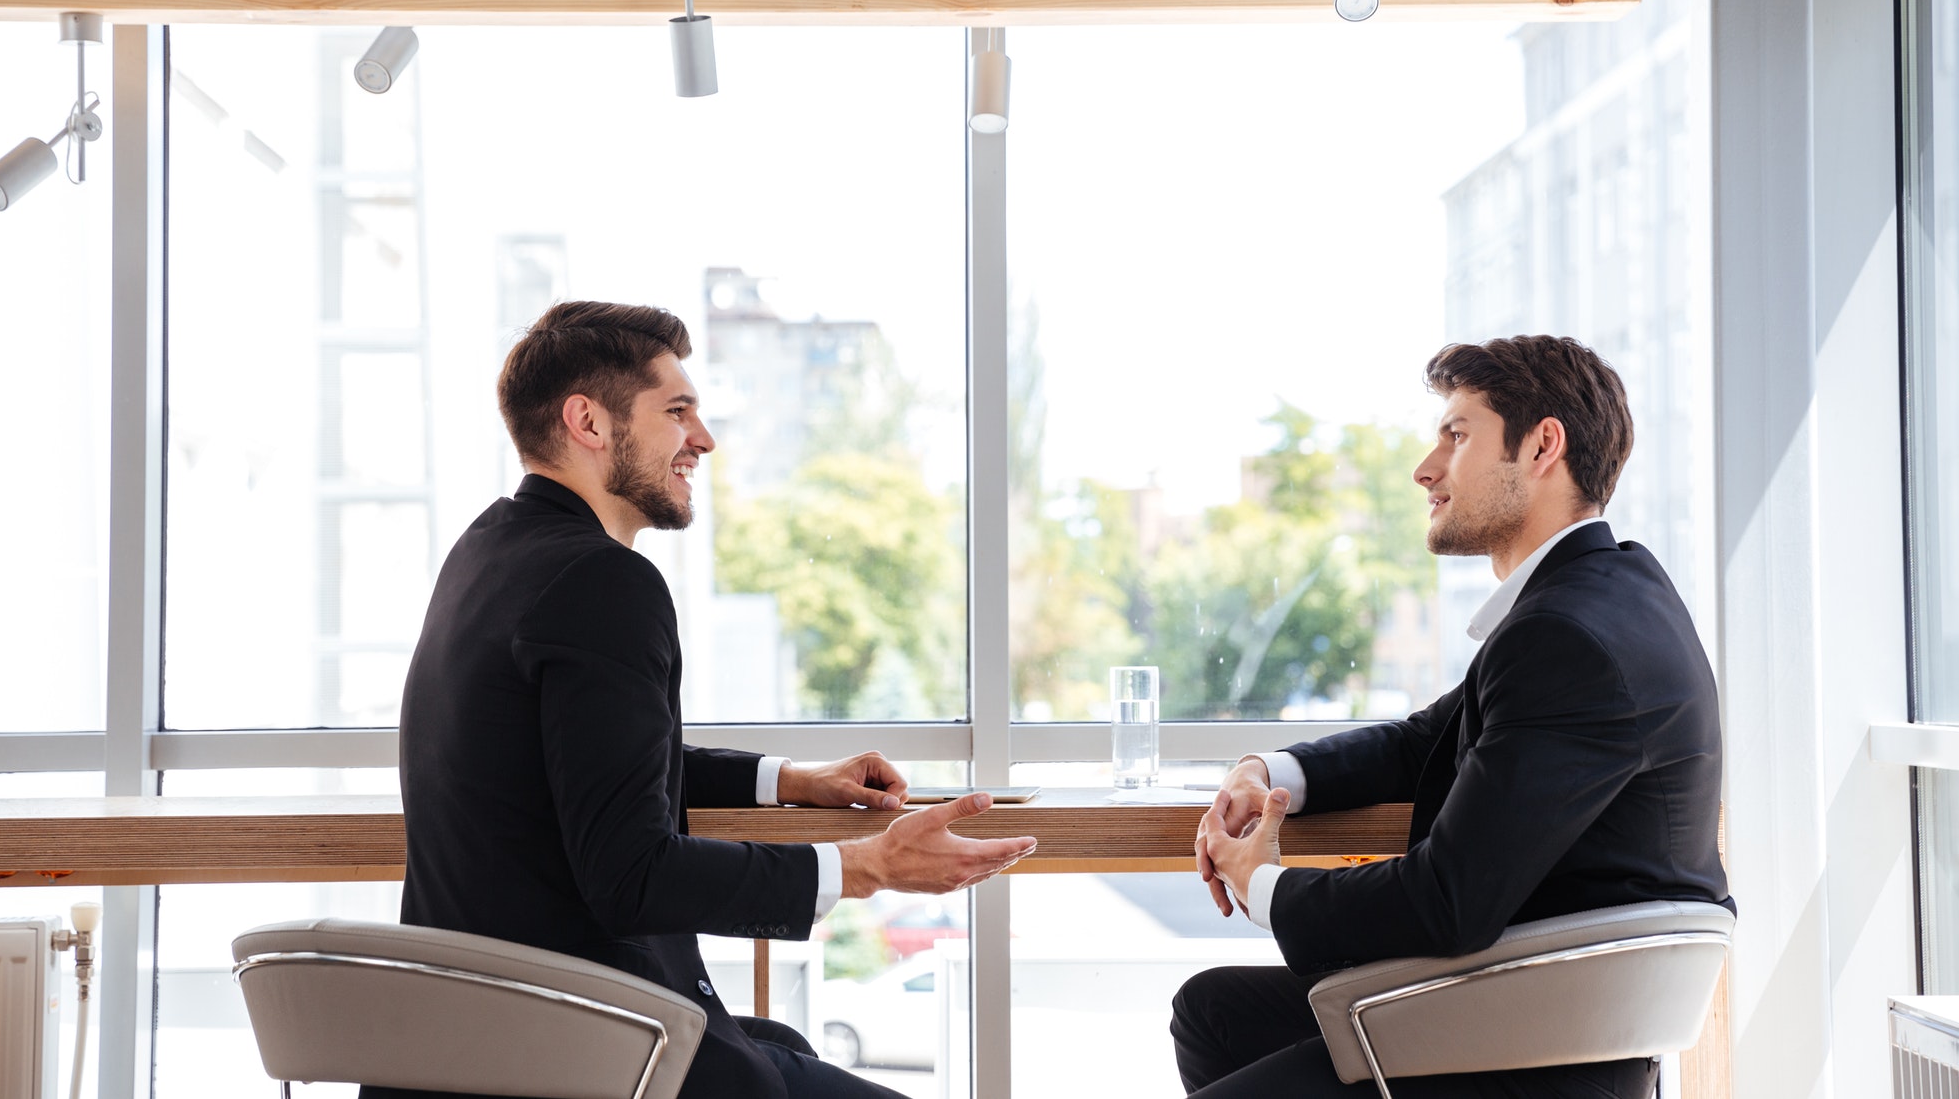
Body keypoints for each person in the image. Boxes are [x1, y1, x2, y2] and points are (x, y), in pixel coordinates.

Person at [380, 300, 1035, 1099]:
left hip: (474, 1045)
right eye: (677, 410)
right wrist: (867, 866)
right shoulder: (604, 581)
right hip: (588, 1051)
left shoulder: (488, 549)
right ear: (587, 419)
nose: (704, 438)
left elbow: (582, 764)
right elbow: (631, 875)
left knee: (781, 1043)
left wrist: (788, 781)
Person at [1175, 335, 1733, 1099]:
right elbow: (1424, 741)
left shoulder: (1566, 634)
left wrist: (1265, 882)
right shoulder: (1602, 593)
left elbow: (1447, 902)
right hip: (1517, 1004)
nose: (1425, 467)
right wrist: (1270, 772)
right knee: (1213, 1013)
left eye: (1457, 433)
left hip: (1531, 1051)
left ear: (1542, 445)